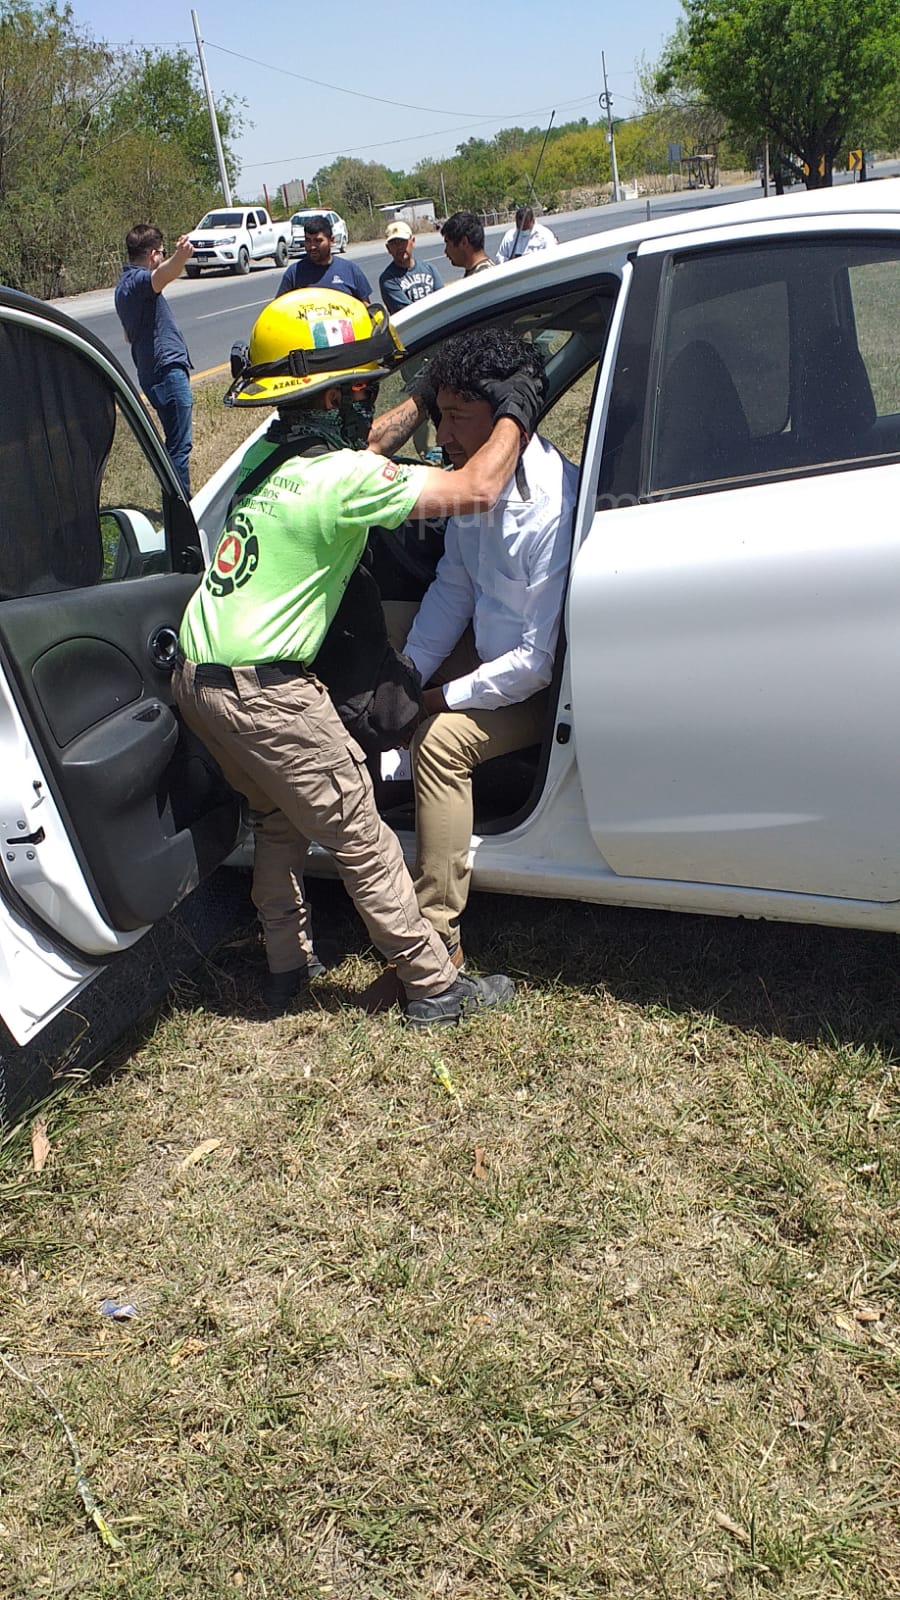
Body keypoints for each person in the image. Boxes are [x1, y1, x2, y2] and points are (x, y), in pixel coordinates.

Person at [173, 289, 543, 1026]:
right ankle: (435, 988)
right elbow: (477, 487)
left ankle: (284, 967)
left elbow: (366, 442)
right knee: (362, 836)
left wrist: (412, 390)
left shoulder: (272, 458)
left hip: (199, 676)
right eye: (363, 389)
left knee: (276, 819)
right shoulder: (342, 480)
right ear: (341, 394)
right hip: (268, 691)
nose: (371, 407)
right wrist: (518, 409)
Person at [369, 328, 578, 969]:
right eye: (440, 415)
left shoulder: (549, 505)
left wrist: (430, 701)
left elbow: (534, 665)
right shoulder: (471, 488)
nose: (444, 436)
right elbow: (453, 590)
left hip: (538, 688)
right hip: (490, 657)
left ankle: (439, 939)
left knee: (439, 743)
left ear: (504, 417)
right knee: (382, 662)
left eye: (458, 418)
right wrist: (405, 676)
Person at [114, 224, 194, 497]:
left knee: (174, 442)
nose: (161, 256)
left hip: (153, 372)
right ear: (151, 254)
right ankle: (180, 508)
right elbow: (164, 275)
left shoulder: (122, 290)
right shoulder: (138, 282)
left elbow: (128, 336)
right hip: (166, 372)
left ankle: (174, 503)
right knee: (179, 446)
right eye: (160, 252)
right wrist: (181, 255)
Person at [275, 215, 370, 302]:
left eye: (318, 241)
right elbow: (279, 309)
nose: (312, 247)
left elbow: (366, 308)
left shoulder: (350, 270)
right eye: (308, 241)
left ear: (331, 240)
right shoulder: (294, 273)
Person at [378, 220, 443, 314]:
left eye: (402, 241)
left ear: (412, 241)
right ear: (388, 248)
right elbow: (408, 313)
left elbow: (442, 299)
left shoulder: (430, 269)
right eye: (394, 243)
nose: (399, 247)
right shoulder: (388, 279)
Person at [440, 212, 494, 277]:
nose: (446, 251)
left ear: (464, 242)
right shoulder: (481, 273)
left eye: (448, 244)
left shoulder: (482, 278)